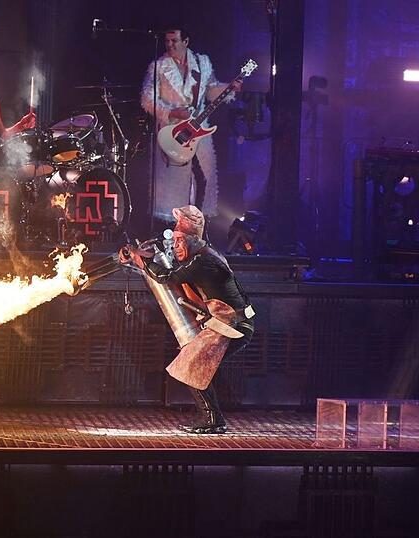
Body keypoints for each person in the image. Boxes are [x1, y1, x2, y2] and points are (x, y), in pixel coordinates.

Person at [121, 206, 255, 434]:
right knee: (194, 362)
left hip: (232, 325)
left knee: (191, 363)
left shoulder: (203, 261)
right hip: (226, 323)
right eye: (175, 239)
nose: (176, 245)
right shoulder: (203, 256)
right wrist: (145, 257)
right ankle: (212, 419)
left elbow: (167, 276)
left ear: (194, 239)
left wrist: (139, 260)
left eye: (180, 240)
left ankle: (212, 420)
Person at [140, 27, 241, 227]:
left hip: (199, 130)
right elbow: (146, 100)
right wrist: (174, 113)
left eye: (174, 41)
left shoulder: (202, 63)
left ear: (186, 41)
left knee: (205, 176)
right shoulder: (158, 67)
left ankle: (200, 228)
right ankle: (170, 229)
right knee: (174, 186)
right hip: (172, 133)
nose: (170, 45)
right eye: (167, 41)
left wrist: (229, 88)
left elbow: (211, 91)